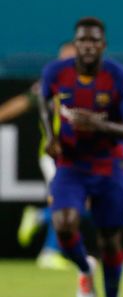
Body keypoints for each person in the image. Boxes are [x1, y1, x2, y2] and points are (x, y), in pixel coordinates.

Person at [39, 17, 123, 297]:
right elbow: (43, 103)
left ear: (103, 45)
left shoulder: (119, 77)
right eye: (82, 41)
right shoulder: (56, 72)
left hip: (108, 164)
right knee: (63, 223)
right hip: (71, 164)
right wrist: (50, 137)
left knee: (110, 240)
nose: (87, 46)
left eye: (93, 41)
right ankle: (85, 266)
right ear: (76, 44)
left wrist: (99, 124)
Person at [0, 42, 76, 271]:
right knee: (67, 201)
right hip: (55, 155)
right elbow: (24, 102)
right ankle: (50, 250)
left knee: (80, 203)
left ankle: (40, 218)